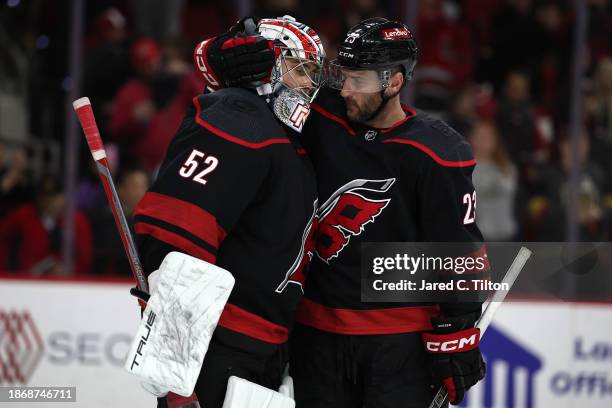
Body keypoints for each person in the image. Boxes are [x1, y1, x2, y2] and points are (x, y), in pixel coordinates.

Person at [200, 17, 488, 407]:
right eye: (344, 75)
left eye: (360, 79)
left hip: (397, 348)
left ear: (395, 83)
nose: (346, 89)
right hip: (315, 338)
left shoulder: (438, 152)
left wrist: (457, 334)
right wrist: (223, 54)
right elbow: (232, 86)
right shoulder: (320, 115)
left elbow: (459, 252)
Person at [133, 16, 323, 408]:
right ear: (267, 64)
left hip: (263, 348)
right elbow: (174, 239)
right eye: (300, 69)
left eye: (312, 73)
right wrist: (177, 375)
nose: (308, 84)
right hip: (218, 345)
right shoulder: (238, 118)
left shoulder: (283, 138)